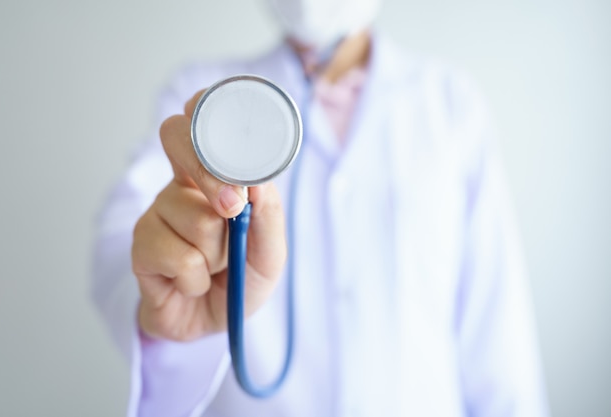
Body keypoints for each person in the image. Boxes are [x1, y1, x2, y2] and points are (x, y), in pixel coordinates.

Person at [92, 0, 549, 415]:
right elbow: (118, 250)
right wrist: (166, 286)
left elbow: (496, 325)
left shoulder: (449, 102)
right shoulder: (201, 96)